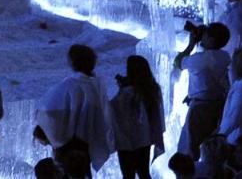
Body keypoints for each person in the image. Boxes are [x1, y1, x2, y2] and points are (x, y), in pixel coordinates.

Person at [32, 44, 112, 172]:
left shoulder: (69, 85)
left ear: (73, 62)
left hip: (67, 147)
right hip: (86, 146)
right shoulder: (97, 87)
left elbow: (47, 112)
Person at [108, 55, 162, 179]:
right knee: (144, 172)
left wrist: (122, 89)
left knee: (128, 174)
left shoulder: (128, 91)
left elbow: (115, 109)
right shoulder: (152, 88)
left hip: (126, 140)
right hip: (145, 138)